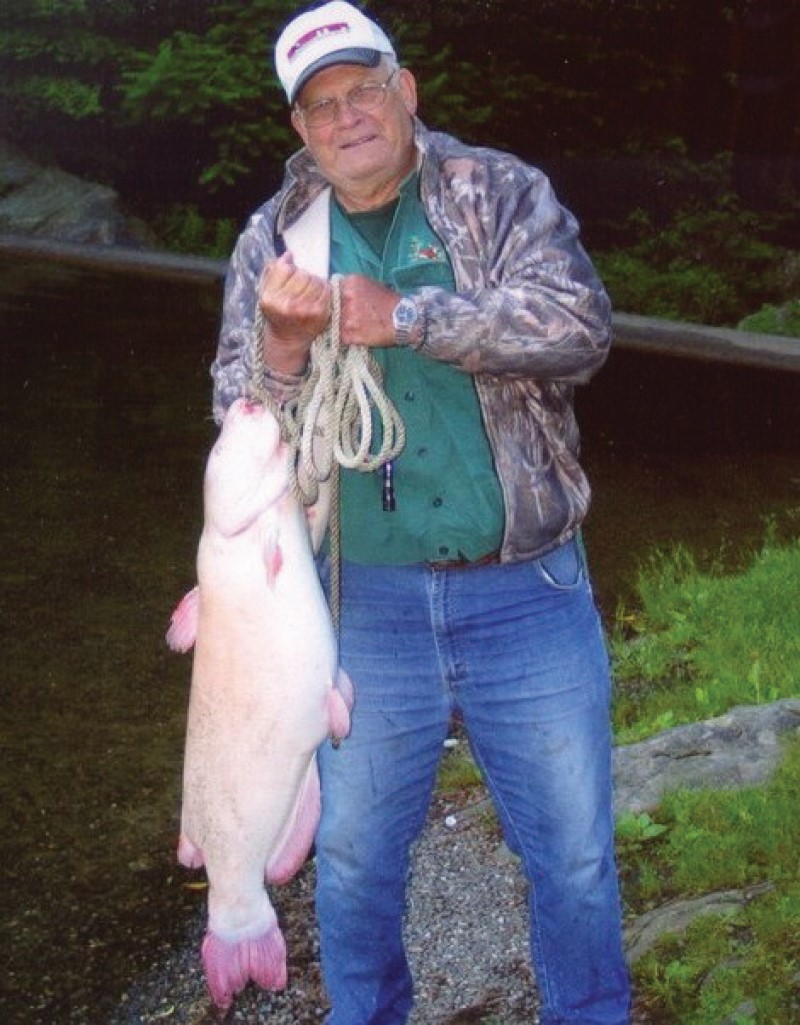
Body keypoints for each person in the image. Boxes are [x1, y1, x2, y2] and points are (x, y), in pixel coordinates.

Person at [211, 2, 631, 1022]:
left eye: (363, 90)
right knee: (353, 861)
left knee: (571, 855)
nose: (346, 116)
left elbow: (579, 326)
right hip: (359, 607)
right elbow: (235, 412)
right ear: (300, 130)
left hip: (525, 586)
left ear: (404, 92)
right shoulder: (275, 240)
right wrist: (277, 347)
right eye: (321, 106)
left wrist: (405, 317)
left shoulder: (497, 190)